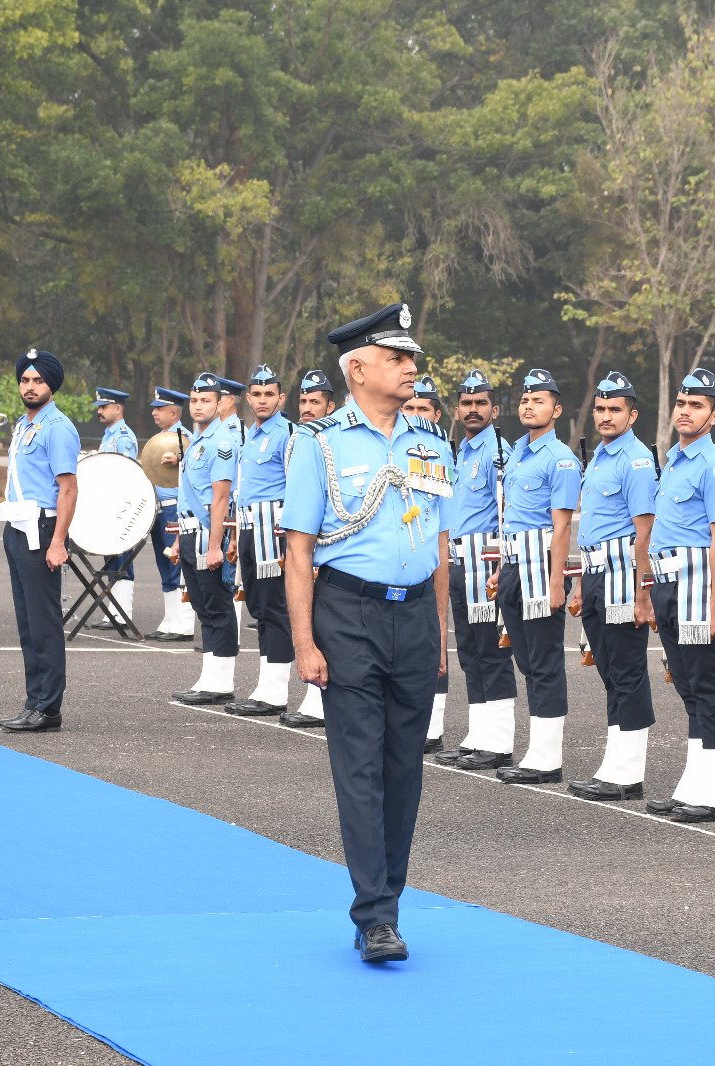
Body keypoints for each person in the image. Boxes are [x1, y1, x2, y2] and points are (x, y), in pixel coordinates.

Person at [283, 301, 451, 964]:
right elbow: (299, 551)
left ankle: (390, 904)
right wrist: (304, 643)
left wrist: (440, 633)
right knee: (360, 768)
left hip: (415, 615)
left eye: (411, 358)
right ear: (357, 369)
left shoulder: (430, 442)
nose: (410, 367)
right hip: (349, 615)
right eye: (396, 358)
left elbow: (440, 545)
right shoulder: (320, 444)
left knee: (404, 769)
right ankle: (374, 915)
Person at [639, 369, 715, 821]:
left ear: (713, 416)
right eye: (681, 403)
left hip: (698, 585)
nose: (685, 411)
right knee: (687, 686)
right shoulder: (676, 460)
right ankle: (695, 784)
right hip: (668, 582)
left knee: (707, 685)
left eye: (696, 405)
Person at [567, 371, 660, 802]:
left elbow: (646, 531)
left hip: (623, 576)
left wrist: (643, 593)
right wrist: (582, 585)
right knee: (609, 671)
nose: (605, 416)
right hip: (595, 573)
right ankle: (614, 764)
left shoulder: (636, 460)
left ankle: (628, 773)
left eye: (614, 409)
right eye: (601, 409)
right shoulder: (602, 456)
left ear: (632, 415)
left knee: (626, 671)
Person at [490, 368, 581, 785]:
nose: (529, 406)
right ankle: (537, 750)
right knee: (526, 660)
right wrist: (501, 570)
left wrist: (557, 581)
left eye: (538, 401)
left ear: (556, 410)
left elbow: (561, 527)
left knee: (544, 661)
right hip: (514, 564)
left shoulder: (560, 459)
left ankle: (546, 757)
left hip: (541, 565)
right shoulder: (518, 453)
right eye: (525, 400)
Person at [434, 370, 518, 767]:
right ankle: (478, 735)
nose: (473, 409)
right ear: (457, 410)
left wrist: (502, 564)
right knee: (469, 651)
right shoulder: (462, 451)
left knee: (491, 650)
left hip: (485, 564)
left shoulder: (497, 451)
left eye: (480, 403)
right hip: (458, 562)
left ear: (494, 410)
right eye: (466, 403)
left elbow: (506, 512)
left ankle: (498, 743)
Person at [0, 348, 80, 732]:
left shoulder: (57, 427)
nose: (30, 387)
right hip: (18, 525)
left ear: (51, 385)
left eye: (38, 380)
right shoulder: (23, 424)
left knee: (43, 622)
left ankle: (48, 708)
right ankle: (34, 701)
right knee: (28, 622)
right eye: (25, 380)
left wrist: (58, 541)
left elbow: (68, 488)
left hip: (42, 528)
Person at [224, 364, 296, 717]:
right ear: (248, 399)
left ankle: (275, 690)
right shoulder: (248, 435)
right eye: (257, 394)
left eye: (270, 394)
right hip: (250, 526)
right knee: (258, 607)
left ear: (281, 398)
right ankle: (266, 685)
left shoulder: (288, 433)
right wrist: (235, 534)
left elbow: (296, 486)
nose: (263, 400)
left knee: (274, 607)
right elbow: (243, 488)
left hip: (273, 529)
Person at [171, 373, 243, 703]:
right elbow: (187, 495)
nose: (198, 406)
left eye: (206, 401)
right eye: (194, 400)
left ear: (220, 403)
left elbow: (220, 498)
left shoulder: (221, 442)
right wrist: (177, 541)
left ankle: (222, 681)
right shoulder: (198, 441)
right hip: (189, 532)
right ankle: (209, 677)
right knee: (202, 606)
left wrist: (215, 546)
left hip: (206, 535)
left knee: (217, 606)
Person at [282, 371, 339, 727]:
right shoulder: (298, 439)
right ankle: (313, 695)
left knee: (326, 622)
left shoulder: (333, 441)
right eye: (303, 401)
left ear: (330, 407)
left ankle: (321, 700)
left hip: (327, 543)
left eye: (315, 401)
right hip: (302, 539)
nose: (307, 408)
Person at [403, 373, 451, 748]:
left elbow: (440, 532)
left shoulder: (440, 454)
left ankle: (432, 726)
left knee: (435, 643)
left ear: (436, 415)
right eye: (409, 407)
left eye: (423, 408)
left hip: (436, 558)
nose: (415, 414)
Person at [145, 386, 196, 642]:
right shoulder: (161, 439)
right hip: (160, 508)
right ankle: (169, 619)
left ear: (174, 413)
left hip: (176, 508)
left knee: (178, 565)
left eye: (160, 409)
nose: (154, 413)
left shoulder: (185, 440)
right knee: (165, 564)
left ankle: (184, 624)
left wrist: (179, 457)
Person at [89, 387, 140, 629]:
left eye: (104, 407)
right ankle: (113, 611)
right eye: (99, 407)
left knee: (122, 561)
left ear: (118, 409)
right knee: (111, 561)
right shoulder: (110, 435)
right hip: (108, 506)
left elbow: (126, 472)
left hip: (121, 507)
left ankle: (122, 613)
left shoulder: (123, 437)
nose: (99, 411)